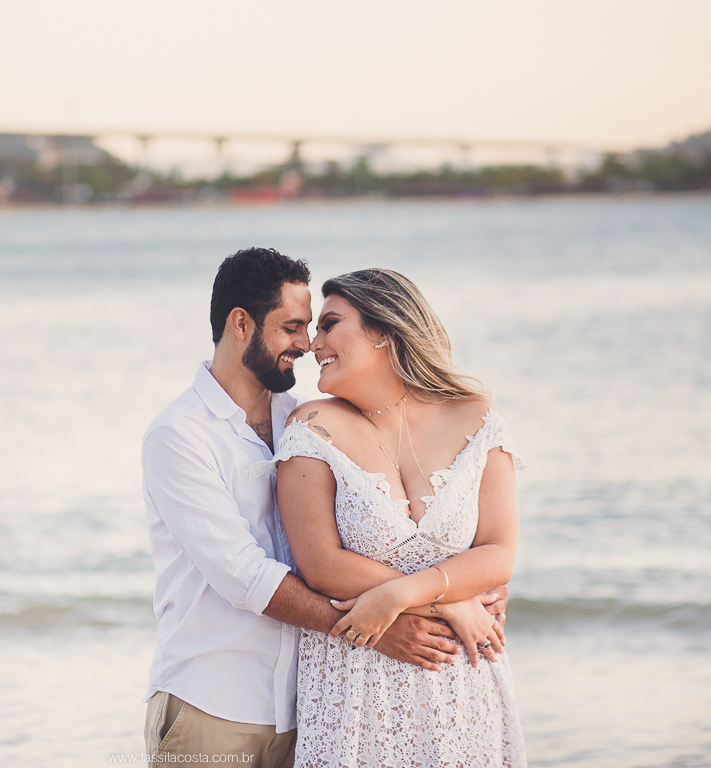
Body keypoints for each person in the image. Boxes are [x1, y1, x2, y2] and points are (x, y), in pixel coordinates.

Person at [141, 249, 508, 767]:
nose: (306, 345)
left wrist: (463, 585)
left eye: (312, 327)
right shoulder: (179, 436)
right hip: (214, 704)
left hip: (306, 706)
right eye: (291, 328)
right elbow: (245, 576)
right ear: (240, 324)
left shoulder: (304, 421)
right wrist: (423, 608)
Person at [269, 268, 526, 766]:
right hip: (357, 681)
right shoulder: (312, 425)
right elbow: (321, 564)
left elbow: (499, 554)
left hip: (461, 677)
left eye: (329, 325)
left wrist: (404, 594)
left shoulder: (477, 416)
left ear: (384, 332)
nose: (313, 343)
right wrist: (451, 603)